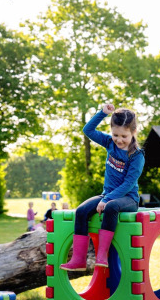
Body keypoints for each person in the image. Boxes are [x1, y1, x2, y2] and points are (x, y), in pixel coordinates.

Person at [60, 103, 145, 271]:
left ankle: (102, 256)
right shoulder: (109, 143)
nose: (119, 140)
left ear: (133, 133)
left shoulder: (137, 155)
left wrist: (107, 199)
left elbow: (128, 184)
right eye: (115, 135)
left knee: (111, 207)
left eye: (124, 136)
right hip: (107, 195)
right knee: (81, 211)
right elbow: (88, 130)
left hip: (128, 198)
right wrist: (102, 113)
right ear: (111, 131)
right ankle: (78, 260)